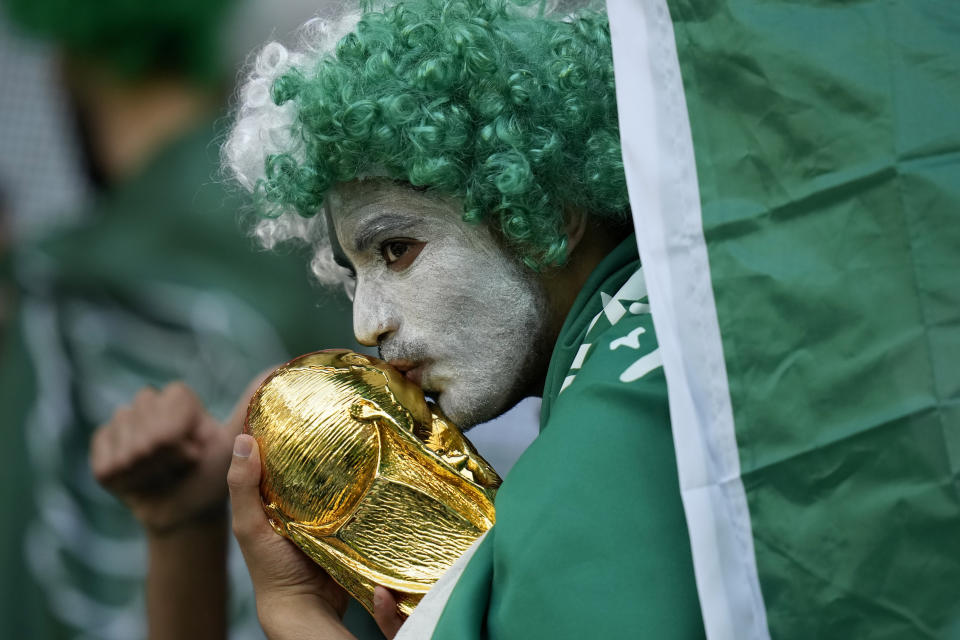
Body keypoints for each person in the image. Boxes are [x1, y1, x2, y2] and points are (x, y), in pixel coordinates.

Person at [218, 0, 705, 637]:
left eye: (396, 249)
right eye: (353, 273)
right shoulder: (688, 326)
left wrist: (293, 611)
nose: (367, 324)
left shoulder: (593, 463)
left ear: (551, 210)